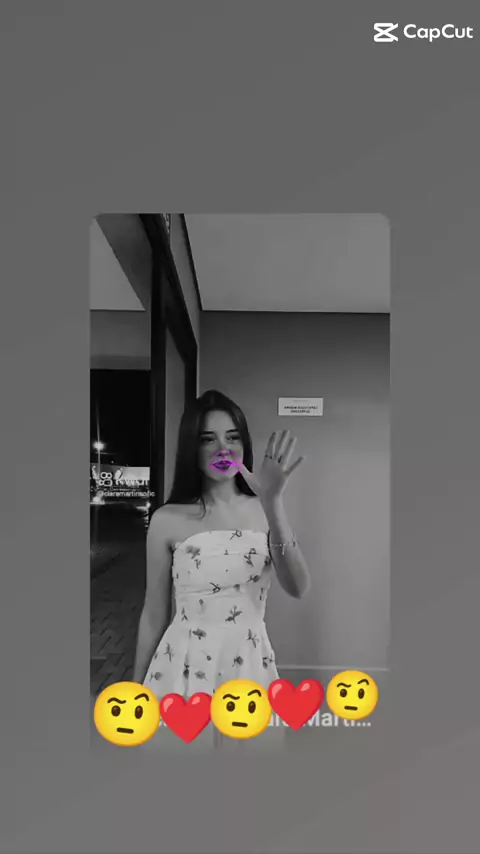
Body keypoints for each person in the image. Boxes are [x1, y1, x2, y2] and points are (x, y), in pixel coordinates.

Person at [132, 389, 310, 749]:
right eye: (207, 439)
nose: (222, 449)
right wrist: (135, 694)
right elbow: (153, 613)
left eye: (232, 438)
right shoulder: (167, 519)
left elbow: (298, 587)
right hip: (181, 666)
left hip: (249, 663)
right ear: (191, 448)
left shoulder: (264, 510)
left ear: (244, 445)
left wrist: (273, 503)